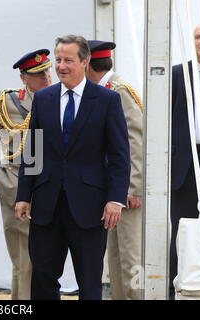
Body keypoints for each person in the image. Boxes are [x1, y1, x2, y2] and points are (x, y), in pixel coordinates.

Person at [15, 35, 130, 300]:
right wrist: (23, 196)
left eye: (68, 60)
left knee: (89, 282)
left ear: (84, 62)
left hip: (90, 207)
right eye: (58, 60)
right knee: (43, 279)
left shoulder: (107, 100)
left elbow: (119, 156)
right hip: (46, 205)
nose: (61, 66)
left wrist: (115, 199)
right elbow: (33, 152)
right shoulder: (43, 99)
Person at [0, 49, 52, 300]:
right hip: (16, 184)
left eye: (47, 71)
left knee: (44, 258)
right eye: (38, 74)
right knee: (24, 257)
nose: (46, 77)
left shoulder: (61, 97)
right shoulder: (8, 103)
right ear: (23, 78)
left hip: (52, 185)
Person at [86, 40, 143, 300]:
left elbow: (135, 141)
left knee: (131, 259)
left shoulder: (118, 91)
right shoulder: (104, 90)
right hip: (111, 189)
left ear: (87, 64)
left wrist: (133, 188)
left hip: (126, 192)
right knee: (116, 260)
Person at [170, 25, 200, 299]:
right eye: (197, 37)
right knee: (182, 226)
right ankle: (178, 285)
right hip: (185, 164)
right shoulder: (177, 74)